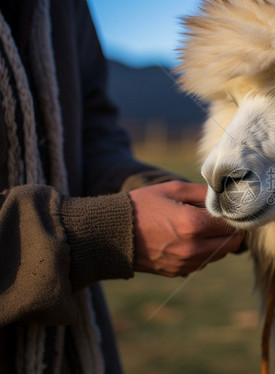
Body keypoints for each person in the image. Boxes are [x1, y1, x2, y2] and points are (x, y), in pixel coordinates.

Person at [0, 0, 244, 372]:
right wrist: (108, 232)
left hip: (75, 354)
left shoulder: (63, 8)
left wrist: (154, 188)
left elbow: (92, 131)